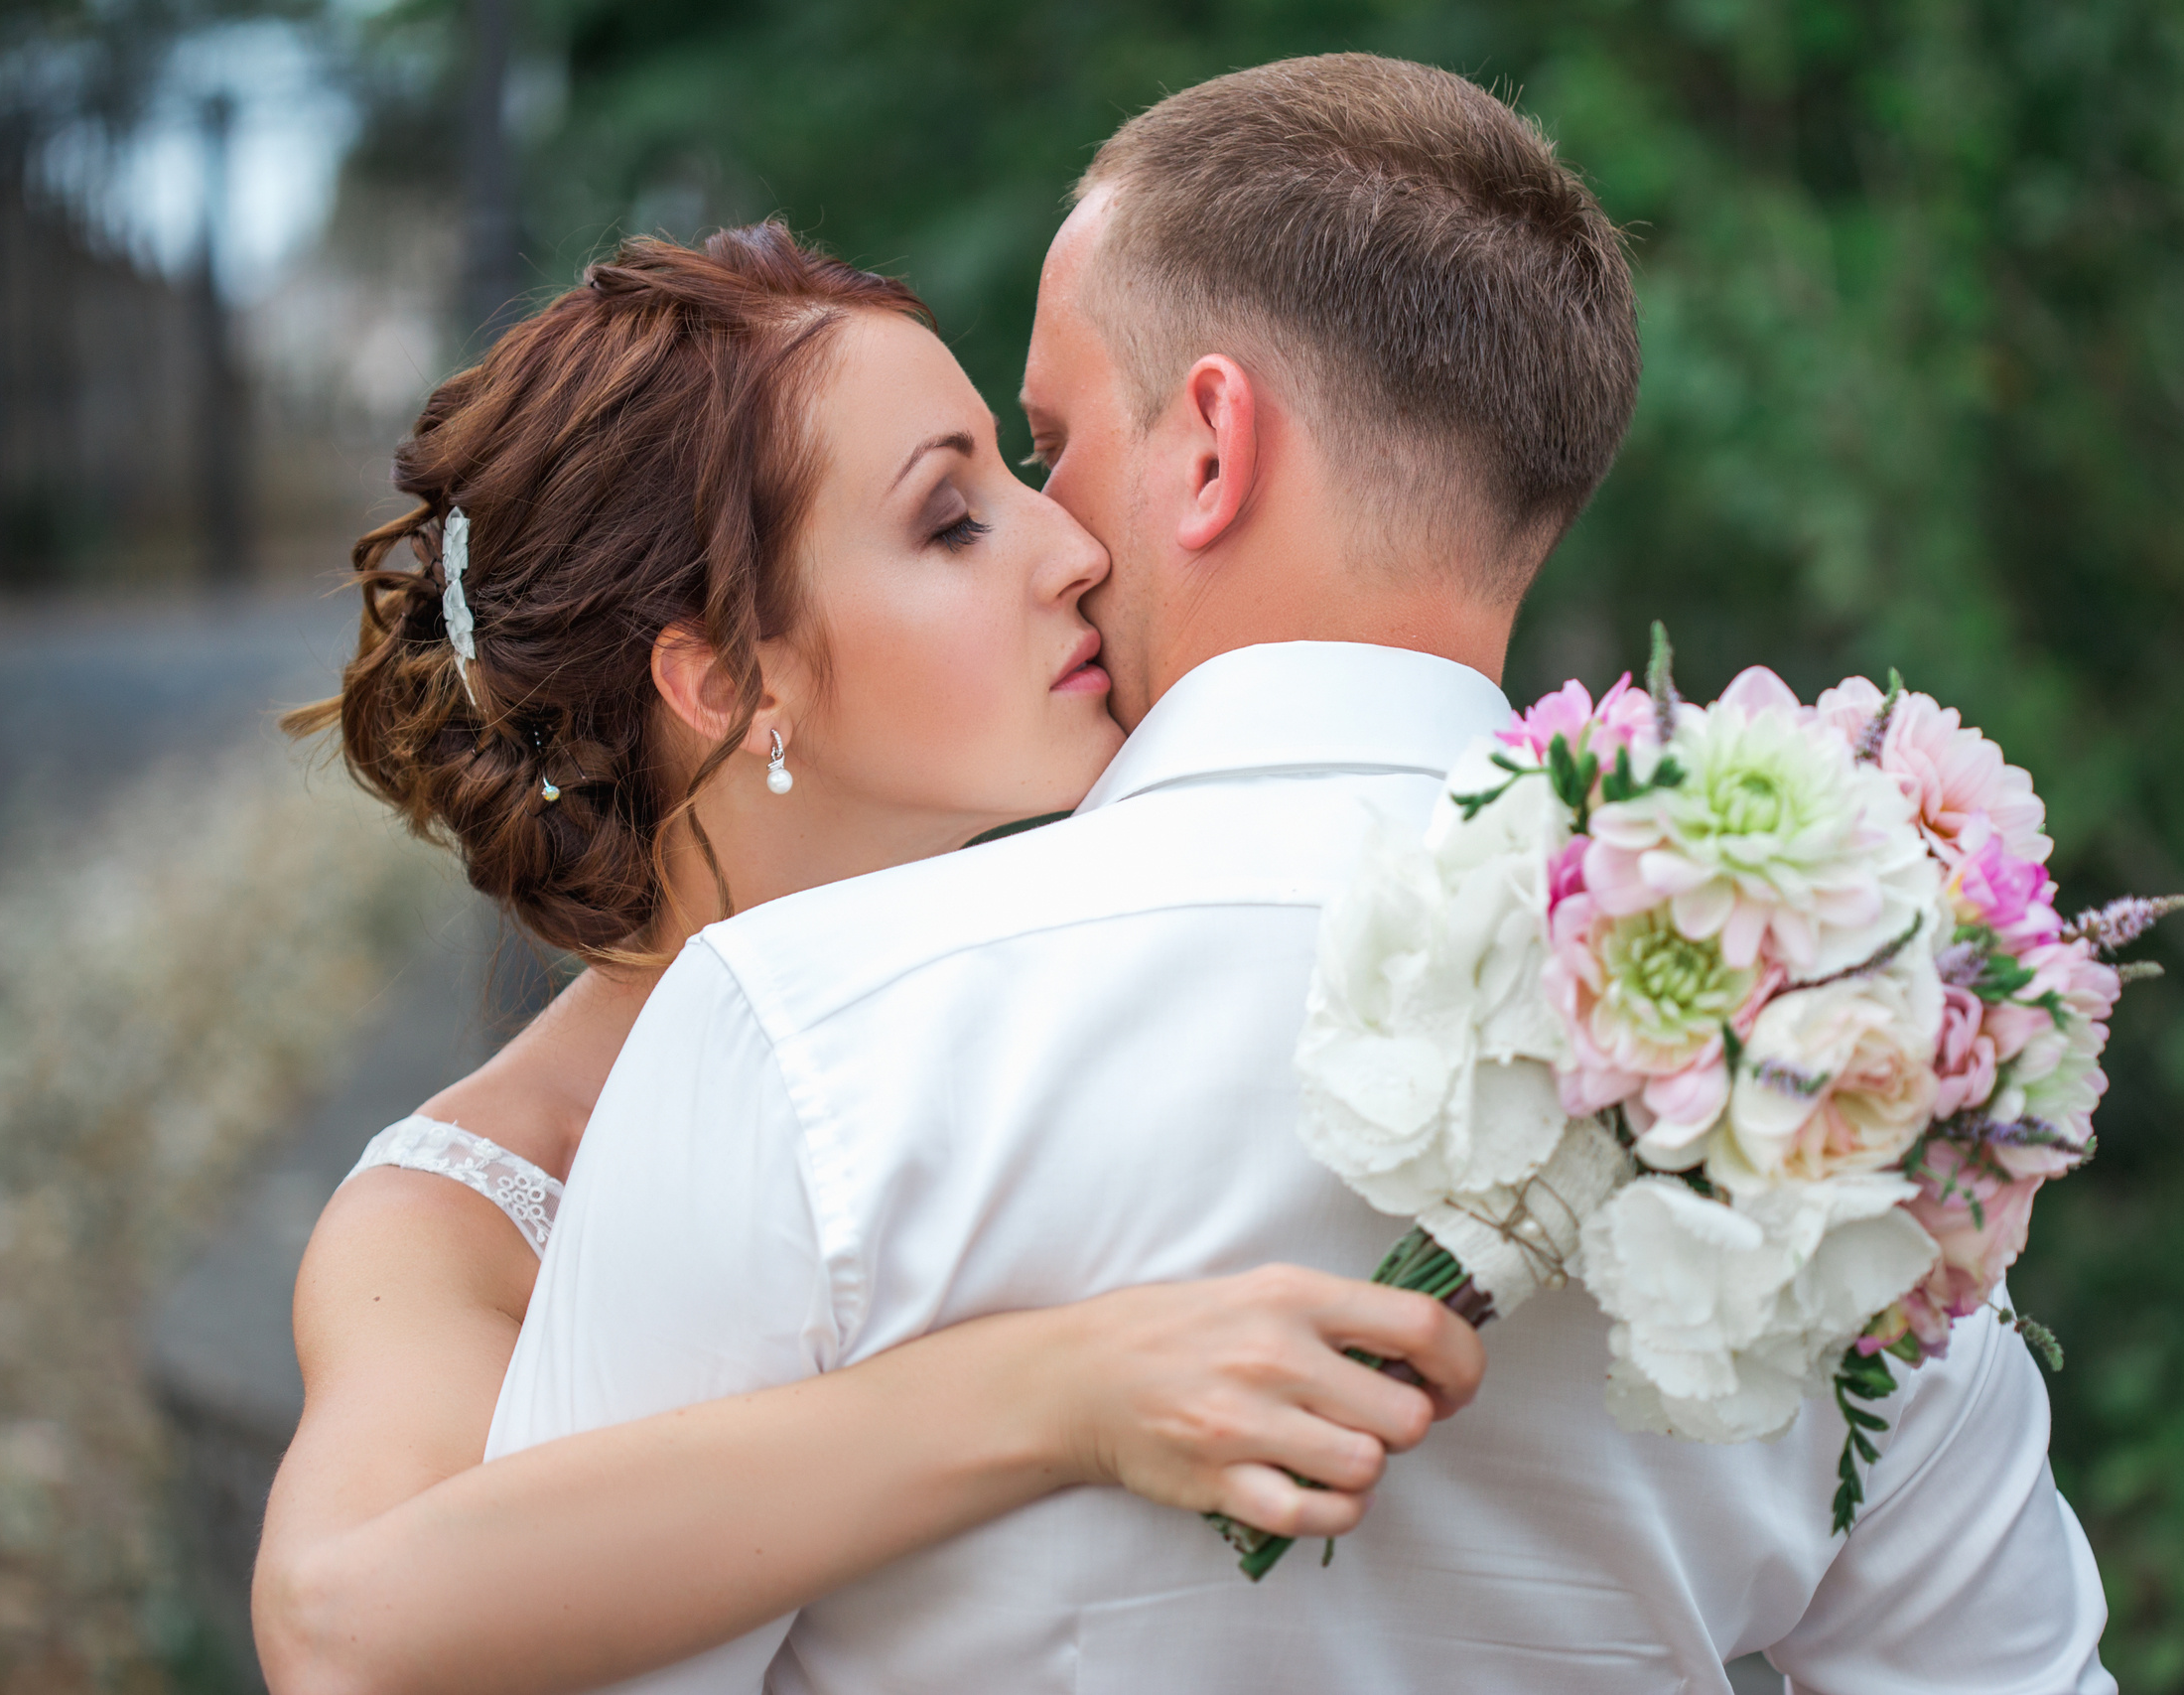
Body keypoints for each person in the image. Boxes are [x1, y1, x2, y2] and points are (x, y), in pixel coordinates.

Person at [494, 53, 2118, 1695]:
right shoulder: (1842, 1097)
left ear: (1212, 443)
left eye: (1051, 443)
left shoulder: (799, 1029)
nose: (1055, 534)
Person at [252, 224, 1487, 1695]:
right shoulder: (454, 1216)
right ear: (730, 679)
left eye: (1017, 477)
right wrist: (1061, 1394)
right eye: (951, 521)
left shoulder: (1081, 1001)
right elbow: (341, 1628)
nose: (1077, 551)